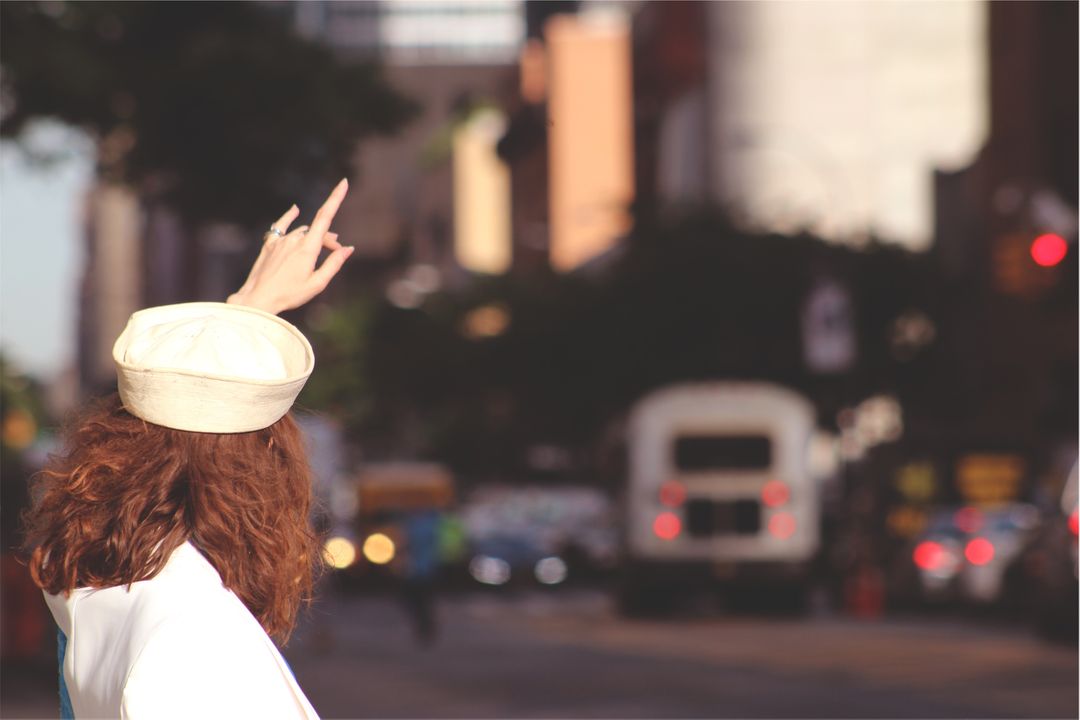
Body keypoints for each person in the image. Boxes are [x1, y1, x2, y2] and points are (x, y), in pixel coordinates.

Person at [21, 179, 355, 719]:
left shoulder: (95, 590)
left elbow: (182, 423)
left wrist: (247, 309)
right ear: (256, 474)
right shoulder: (195, 635)